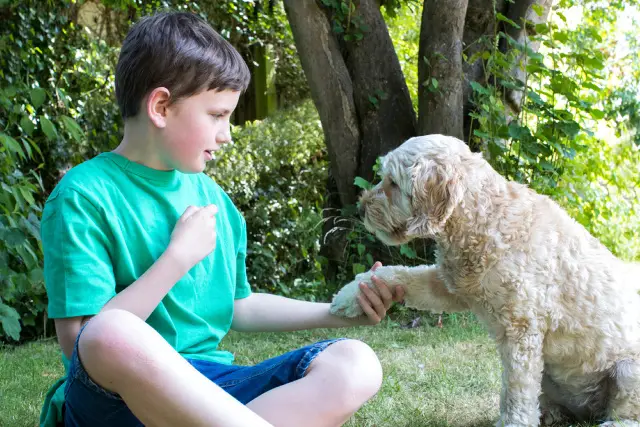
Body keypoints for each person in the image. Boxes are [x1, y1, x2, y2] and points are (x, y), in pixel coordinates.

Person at [39, 11, 405, 427]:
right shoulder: (83, 195)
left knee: (355, 363)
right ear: (160, 106)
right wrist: (176, 259)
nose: (227, 134)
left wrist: (339, 310)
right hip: (117, 401)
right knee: (110, 331)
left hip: (213, 390)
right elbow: (80, 346)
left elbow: (238, 306)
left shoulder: (214, 201)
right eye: (217, 115)